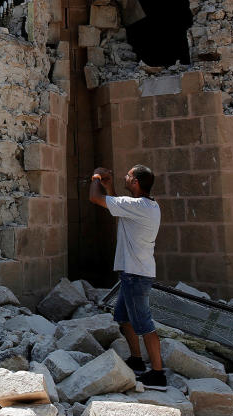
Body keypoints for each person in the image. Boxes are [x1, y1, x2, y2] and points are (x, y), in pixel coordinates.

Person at [89, 164, 165, 389]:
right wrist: (110, 187)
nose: (125, 176)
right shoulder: (148, 205)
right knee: (123, 317)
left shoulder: (137, 206)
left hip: (136, 275)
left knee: (145, 324)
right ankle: (136, 360)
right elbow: (117, 206)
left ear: (136, 183)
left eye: (129, 175)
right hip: (135, 273)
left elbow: (95, 198)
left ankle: (158, 374)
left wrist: (96, 176)